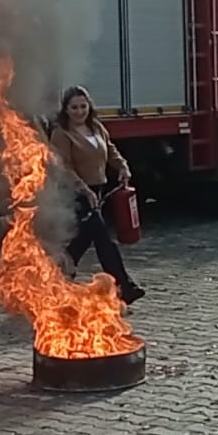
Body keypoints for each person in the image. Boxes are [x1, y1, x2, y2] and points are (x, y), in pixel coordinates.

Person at [49, 86, 145, 304]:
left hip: (97, 189)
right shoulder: (61, 134)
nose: (79, 111)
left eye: (83, 106)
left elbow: (111, 151)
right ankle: (124, 287)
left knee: (81, 241)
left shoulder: (96, 127)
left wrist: (122, 167)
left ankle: (57, 278)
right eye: (74, 107)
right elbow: (63, 167)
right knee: (103, 240)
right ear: (66, 110)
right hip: (75, 193)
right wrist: (83, 189)